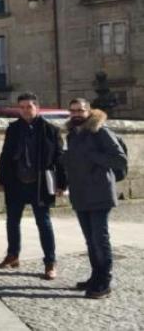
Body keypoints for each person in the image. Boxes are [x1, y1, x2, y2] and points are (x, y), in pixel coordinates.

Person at [0, 92, 65, 280]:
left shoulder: (51, 130)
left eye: (29, 107)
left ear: (37, 108)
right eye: (22, 107)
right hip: (16, 182)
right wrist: (0, 180)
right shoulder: (13, 129)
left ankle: (50, 262)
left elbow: (60, 159)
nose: (25, 110)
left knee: (44, 223)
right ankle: (13, 255)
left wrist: (62, 184)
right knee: (12, 222)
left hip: (40, 184)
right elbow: (5, 155)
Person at [62, 98, 127, 299]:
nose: (77, 114)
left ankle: (104, 282)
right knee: (90, 240)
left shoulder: (100, 131)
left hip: (100, 193)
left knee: (100, 239)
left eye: (80, 110)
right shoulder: (73, 134)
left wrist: (93, 156)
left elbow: (119, 159)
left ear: (89, 111)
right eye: (73, 111)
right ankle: (95, 276)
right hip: (80, 194)